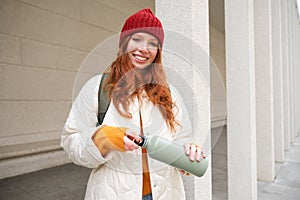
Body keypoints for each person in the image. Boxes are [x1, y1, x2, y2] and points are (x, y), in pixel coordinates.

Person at [61, 8, 205, 200]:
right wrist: (105, 138)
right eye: (137, 39)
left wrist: (187, 153)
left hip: (166, 194)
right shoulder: (98, 88)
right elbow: (71, 140)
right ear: (124, 43)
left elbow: (182, 138)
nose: (144, 48)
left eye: (152, 43)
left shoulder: (169, 93)